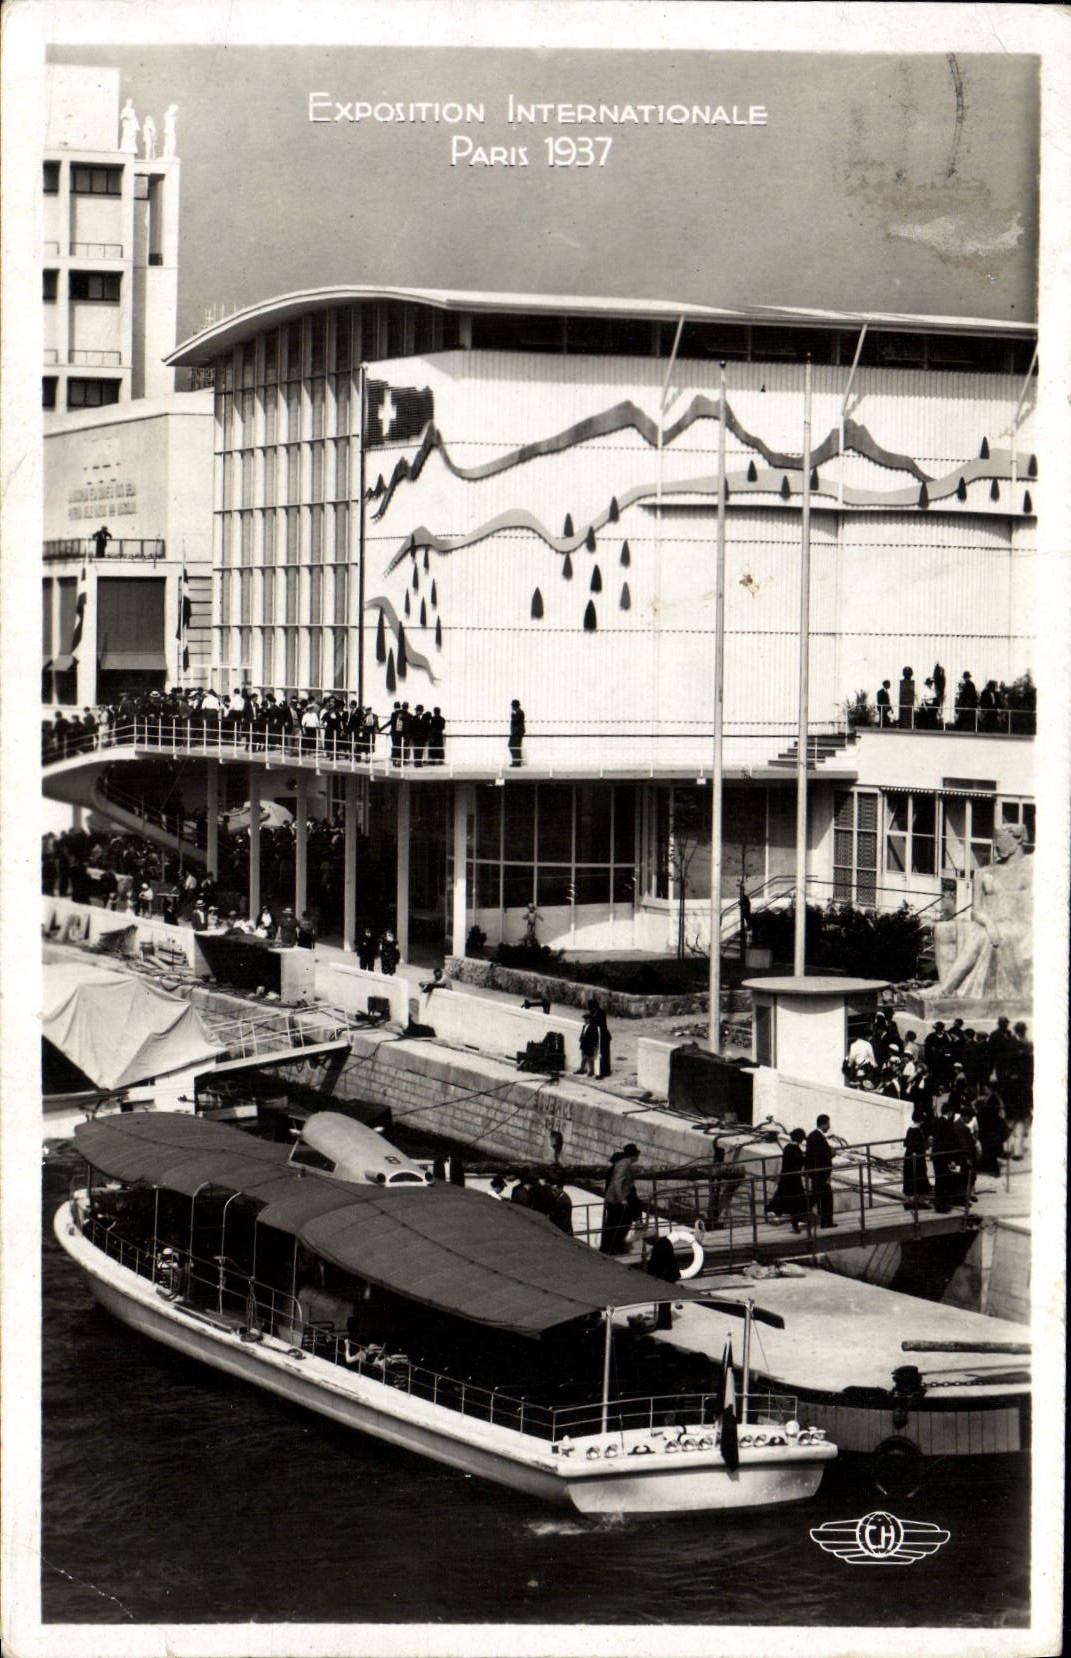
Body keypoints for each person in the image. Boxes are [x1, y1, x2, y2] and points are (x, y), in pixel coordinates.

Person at [600, 1143, 640, 1255]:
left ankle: (615, 1246)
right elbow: (617, 1182)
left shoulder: (626, 1163)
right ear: (633, 1155)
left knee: (621, 1223)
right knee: (615, 1224)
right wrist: (621, 1199)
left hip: (617, 1199)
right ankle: (610, 1248)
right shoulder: (624, 1164)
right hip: (615, 1201)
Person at [766, 1128, 808, 1233]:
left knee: (783, 1196)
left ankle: (775, 1211)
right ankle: (797, 1221)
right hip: (793, 1179)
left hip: (786, 1177)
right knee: (798, 1199)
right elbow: (799, 1163)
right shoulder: (796, 1149)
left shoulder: (787, 1147)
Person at [804, 1115, 835, 1229]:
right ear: (824, 1124)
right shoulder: (818, 1138)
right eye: (828, 1124)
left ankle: (825, 1221)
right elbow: (821, 1156)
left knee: (817, 1196)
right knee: (825, 1197)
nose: (829, 1127)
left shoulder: (813, 1136)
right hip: (820, 1173)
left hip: (816, 1173)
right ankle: (826, 1222)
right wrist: (831, 1153)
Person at [645, 1234, 680, 1328]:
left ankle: (665, 1323)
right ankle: (664, 1321)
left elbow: (655, 1263)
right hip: (670, 1274)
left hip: (665, 1276)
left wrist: (650, 1271)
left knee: (663, 1301)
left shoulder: (658, 1246)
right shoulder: (665, 1241)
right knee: (665, 1301)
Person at [901, 1107, 933, 1209]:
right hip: (917, 1158)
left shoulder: (910, 1129)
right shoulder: (918, 1131)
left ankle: (909, 1200)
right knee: (920, 1176)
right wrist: (926, 1145)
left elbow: (906, 1143)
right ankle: (920, 1200)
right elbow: (919, 1145)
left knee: (910, 1177)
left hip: (910, 1157)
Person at [576, 1009, 599, 1076]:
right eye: (585, 1019)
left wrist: (594, 1045)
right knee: (584, 1057)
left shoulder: (593, 1027)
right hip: (584, 1044)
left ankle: (591, 1071)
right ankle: (582, 1069)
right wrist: (581, 1039)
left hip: (589, 1045)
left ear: (590, 1019)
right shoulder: (584, 1026)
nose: (585, 1020)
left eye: (586, 1019)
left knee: (590, 1058)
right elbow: (583, 1034)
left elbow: (595, 1037)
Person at [508, 698, 526, 767]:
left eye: (512, 706)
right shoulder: (518, 712)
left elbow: (515, 720)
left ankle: (517, 761)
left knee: (514, 746)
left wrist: (513, 714)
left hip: (517, 733)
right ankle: (516, 761)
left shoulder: (519, 712)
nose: (512, 707)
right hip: (516, 732)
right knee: (514, 746)